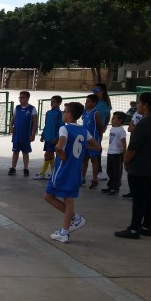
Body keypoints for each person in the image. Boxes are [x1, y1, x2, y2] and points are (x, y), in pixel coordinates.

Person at [43, 102, 101, 243]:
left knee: (49, 196)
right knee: (68, 199)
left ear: (69, 115)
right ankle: (69, 226)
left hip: (63, 170)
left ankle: (70, 225)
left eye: (64, 111)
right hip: (75, 170)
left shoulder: (65, 128)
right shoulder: (83, 130)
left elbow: (59, 146)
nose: (63, 113)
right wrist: (82, 146)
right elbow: (97, 147)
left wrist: (61, 154)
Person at [115, 93, 151, 239]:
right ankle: (146, 227)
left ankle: (134, 229)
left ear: (146, 105)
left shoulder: (144, 124)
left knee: (138, 199)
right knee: (149, 197)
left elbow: (133, 149)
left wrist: (125, 161)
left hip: (140, 167)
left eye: (139, 103)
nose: (137, 106)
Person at [8, 90, 37, 176]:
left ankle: (26, 168)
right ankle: (13, 168)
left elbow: (35, 122)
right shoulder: (17, 108)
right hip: (16, 135)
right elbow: (12, 119)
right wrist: (11, 127)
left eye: (22, 97)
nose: (20, 99)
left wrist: (33, 134)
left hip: (26, 135)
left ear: (27, 98)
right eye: (19, 97)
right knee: (15, 152)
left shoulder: (32, 109)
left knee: (25, 152)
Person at [35, 95, 63, 180]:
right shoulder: (48, 113)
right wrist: (43, 135)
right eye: (51, 101)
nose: (51, 103)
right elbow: (46, 125)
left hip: (53, 138)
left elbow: (61, 127)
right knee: (50, 155)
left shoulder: (60, 114)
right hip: (47, 137)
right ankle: (53, 173)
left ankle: (43, 173)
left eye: (54, 102)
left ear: (59, 103)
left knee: (47, 154)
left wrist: (57, 137)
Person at [80, 94, 104, 189]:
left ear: (94, 103)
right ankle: (82, 178)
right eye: (86, 101)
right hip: (85, 139)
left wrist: (99, 141)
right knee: (84, 159)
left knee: (94, 159)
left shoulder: (95, 113)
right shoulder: (84, 112)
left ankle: (94, 180)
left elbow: (100, 128)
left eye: (88, 101)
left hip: (93, 140)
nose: (86, 103)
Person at [101, 111, 128, 195]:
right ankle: (111, 185)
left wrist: (124, 155)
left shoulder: (121, 131)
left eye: (114, 118)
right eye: (112, 118)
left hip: (117, 153)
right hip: (110, 152)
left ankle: (116, 187)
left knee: (116, 171)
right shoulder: (112, 129)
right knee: (109, 170)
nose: (112, 119)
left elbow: (124, 144)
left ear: (120, 120)